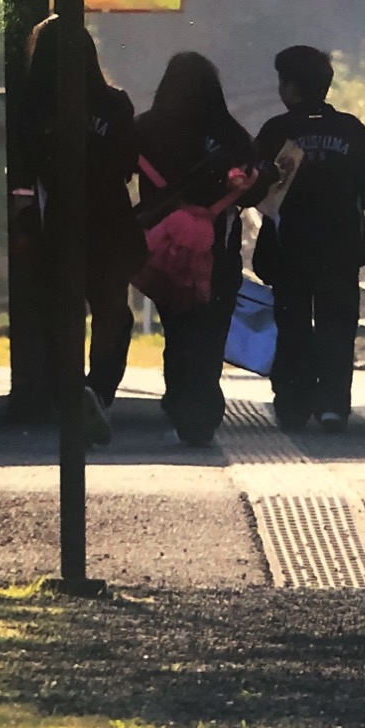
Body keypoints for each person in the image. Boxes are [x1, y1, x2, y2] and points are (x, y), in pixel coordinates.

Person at [19, 17, 146, 447]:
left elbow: (22, 170)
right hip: (109, 220)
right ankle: (99, 391)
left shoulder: (32, 108)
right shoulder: (115, 105)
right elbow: (130, 163)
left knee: (60, 318)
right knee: (113, 312)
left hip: (57, 222)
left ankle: (71, 396)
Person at [252, 45, 365, 433]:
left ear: (291, 87)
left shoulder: (277, 130)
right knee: (337, 325)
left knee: (291, 324)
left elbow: (255, 180)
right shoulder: (350, 129)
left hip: (288, 246)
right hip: (340, 246)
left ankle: (292, 404)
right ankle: (333, 406)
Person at [132, 52, 262, 447]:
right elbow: (253, 189)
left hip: (167, 251)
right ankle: (202, 405)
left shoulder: (146, 129)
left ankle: (178, 398)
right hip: (216, 250)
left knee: (177, 327)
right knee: (211, 330)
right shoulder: (230, 134)